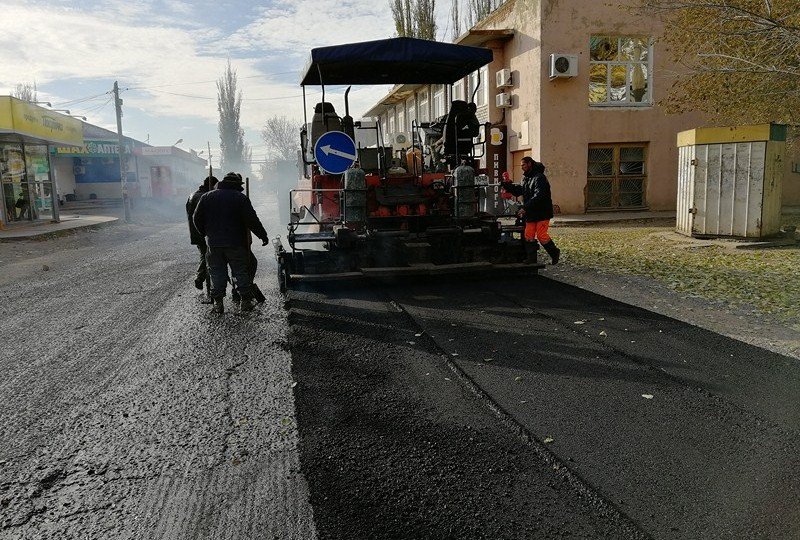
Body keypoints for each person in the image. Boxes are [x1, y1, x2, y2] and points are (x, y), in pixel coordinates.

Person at [193, 172, 269, 314]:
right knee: (240, 271)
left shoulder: (207, 197)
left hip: (214, 244)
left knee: (216, 273)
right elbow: (252, 220)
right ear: (236, 185)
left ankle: (218, 304)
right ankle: (245, 302)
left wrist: (205, 233)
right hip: (236, 243)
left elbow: (196, 218)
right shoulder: (240, 198)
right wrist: (262, 235)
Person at [501, 157, 560, 264]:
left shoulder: (539, 178)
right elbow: (520, 190)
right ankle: (531, 258)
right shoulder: (526, 178)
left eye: (523, 164)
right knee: (529, 235)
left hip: (542, 212)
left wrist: (525, 208)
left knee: (542, 235)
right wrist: (507, 185)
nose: (522, 167)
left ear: (529, 164)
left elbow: (539, 195)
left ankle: (554, 252)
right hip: (531, 212)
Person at [186, 175, 218, 302]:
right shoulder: (205, 197)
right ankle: (202, 281)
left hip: (196, 232)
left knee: (204, 255)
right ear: (211, 185)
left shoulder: (192, 195)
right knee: (208, 256)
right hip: (204, 232)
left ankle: (200, 278)